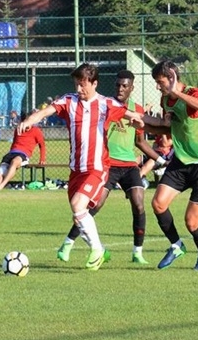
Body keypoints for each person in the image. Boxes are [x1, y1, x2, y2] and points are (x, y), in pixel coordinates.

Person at [18, 63, 144, 271]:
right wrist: (30, 120)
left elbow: (132, 115)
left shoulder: (106, 104)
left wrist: (141, 122)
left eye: (82, 85)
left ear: (95, 83)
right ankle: (100, 249)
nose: (78, 89)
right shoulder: (69, 101)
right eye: (76, 85)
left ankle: (96, 251)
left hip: (97, 168)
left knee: (78, 205)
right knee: (79, 216)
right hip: (76, 170)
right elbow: (45, 112)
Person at [55, 69, 155, 265]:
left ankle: (137, 252)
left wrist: (159, 159)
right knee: (90, 207)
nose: (120, 88)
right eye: (117, 84)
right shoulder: (105, 105)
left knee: (139, 202)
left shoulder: (136, 109)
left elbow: (141, 141)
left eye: (124, 85)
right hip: (106, 164)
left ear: (132, 88)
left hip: (129, 165)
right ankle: (69, 242)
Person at [140, 61, 198, 271]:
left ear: (173, 77)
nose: (158, 86)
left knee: (191, 222)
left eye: (161, 82)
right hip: (181, 161)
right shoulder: (166, 100)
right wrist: (142, 124)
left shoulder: (193, 92)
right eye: (157, 82)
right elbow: (168, 129)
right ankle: (176, 245)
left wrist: (177, 92)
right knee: (158, 203)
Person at [0, 112, 46, 190]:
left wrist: (42, 159)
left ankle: (1, 185)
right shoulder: (18, 129)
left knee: (15, 162)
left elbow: (42, 145)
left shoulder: (36, 131)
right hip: (12, 152)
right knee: (2, 170)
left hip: (23, 154)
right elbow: (14, 142)